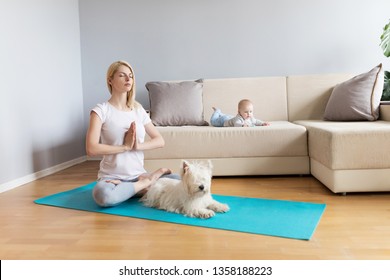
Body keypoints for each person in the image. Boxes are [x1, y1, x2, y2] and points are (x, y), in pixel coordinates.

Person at [86, 60, 178, 207]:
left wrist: (137, 146)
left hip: (138, 175)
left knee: (178, 180)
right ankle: (145, 185)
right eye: (122, 76)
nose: (128, 79)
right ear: (110, 80)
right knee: (104, 196)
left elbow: (160, 140)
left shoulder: (138, 110)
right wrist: (125, 147)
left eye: (131, 76)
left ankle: (133, 188)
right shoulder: (100, 111)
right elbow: (91, 149)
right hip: (111, 179)